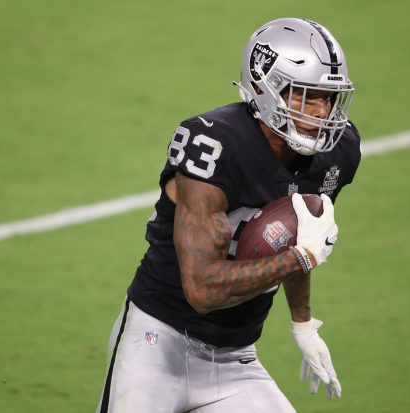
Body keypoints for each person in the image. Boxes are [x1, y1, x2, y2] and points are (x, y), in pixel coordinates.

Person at [96, 17, 361, 412]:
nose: (322, 112)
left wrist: (302, 321)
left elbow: (298, 231)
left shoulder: (335, 153)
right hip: (156, 341)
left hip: (235, 359)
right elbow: (202, 289)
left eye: (328, 97)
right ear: (264, 88)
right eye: (307, 96)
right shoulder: (215, 145)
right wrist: (299, 258)